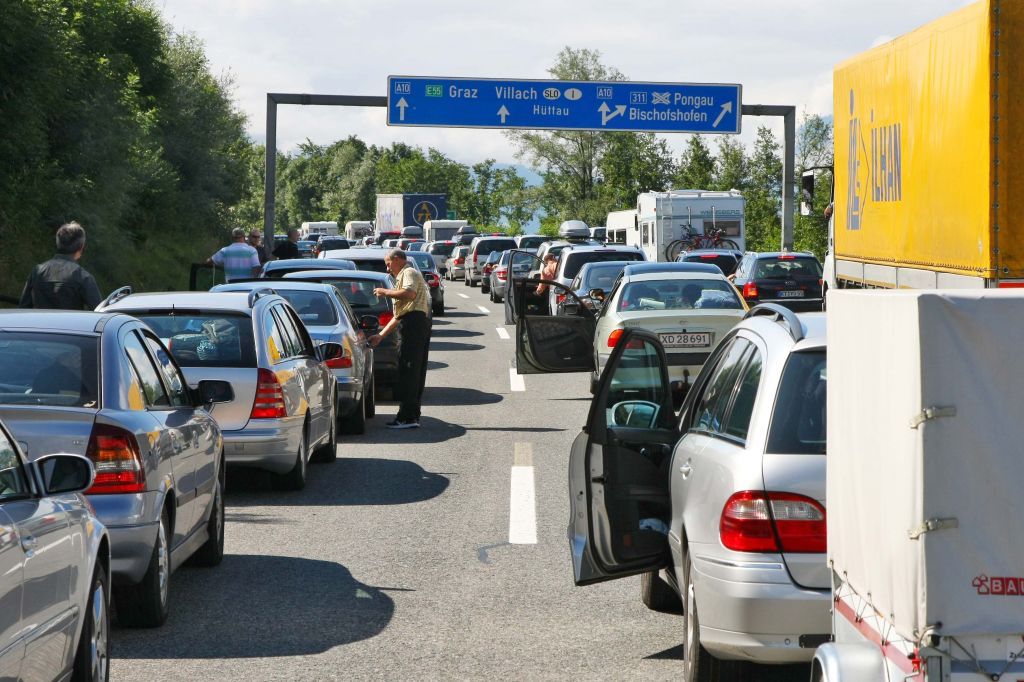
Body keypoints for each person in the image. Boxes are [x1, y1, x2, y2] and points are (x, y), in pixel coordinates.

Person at [368, 248, 432, 429]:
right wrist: (381, 335)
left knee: (409, 371)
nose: (387, 269)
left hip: (414, 324)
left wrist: (385, 292)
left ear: (397, 259)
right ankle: (411, 415)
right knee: (410, 371)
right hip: (412, 322)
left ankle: (407, 417)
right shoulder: (402, 276)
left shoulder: (409, 272)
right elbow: (398, 315)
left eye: (388, 264)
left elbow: (410, 294)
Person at [20, 221, 103, 310]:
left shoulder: (37, 271)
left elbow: (23, 308)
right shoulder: (83, 277)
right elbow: (98, 312)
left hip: (38, 320)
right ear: (81, 247)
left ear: (58, 243)